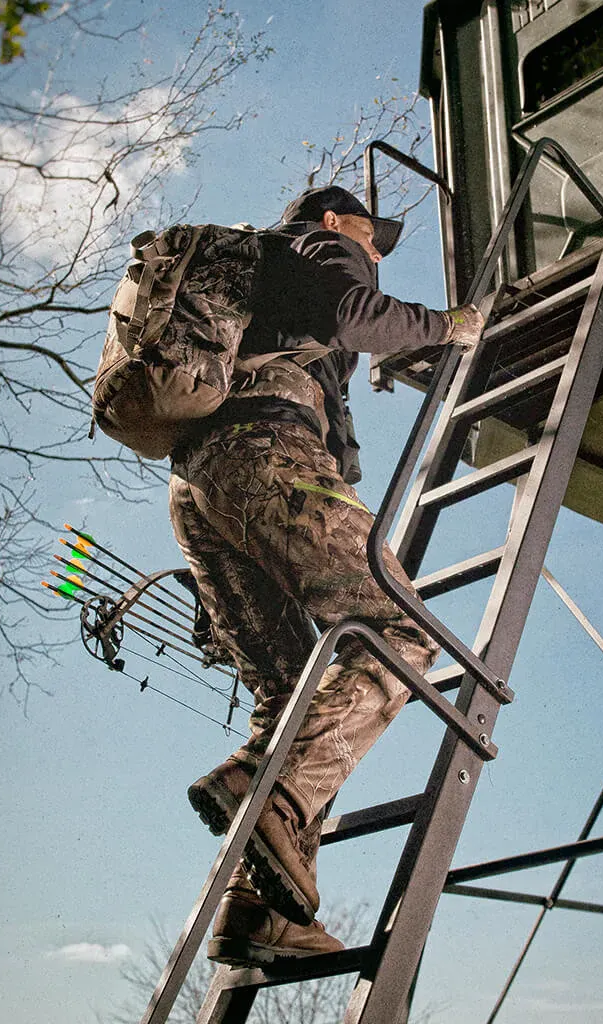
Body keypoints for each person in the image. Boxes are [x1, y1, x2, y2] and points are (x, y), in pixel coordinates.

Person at [167, 185, 484, 967]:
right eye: (374, 237)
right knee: (403, 633)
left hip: (200, 483)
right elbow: (352, 312)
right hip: (272, 461)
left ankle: (258, 912)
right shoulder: (319, 246)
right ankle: (271, 795)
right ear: (337, 220)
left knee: (287, 697)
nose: (375, 254)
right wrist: (450, 326)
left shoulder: (252, 276)